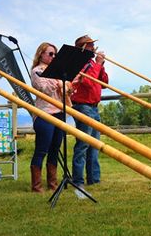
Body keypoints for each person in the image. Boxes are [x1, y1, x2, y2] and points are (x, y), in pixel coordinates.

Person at [30, 42, 71, 192]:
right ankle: (36, 186)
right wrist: (60, 81)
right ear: (41, 54)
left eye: (55, 54)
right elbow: (44, 88)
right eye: (50, 54)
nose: (53, 57)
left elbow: (67, 89)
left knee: (55, 148)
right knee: (42, 149)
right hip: (44, 113)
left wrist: (65, 84)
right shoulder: (37, 71)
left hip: (59, 112)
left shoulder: (57, 72)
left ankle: (52, 184)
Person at [71, 35, 108, 194]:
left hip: (93, 106)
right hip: (83, 106)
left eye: (93, 45)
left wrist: (101, 66)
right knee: (83, 144)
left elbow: (104, 83)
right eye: (90, 45)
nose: (94, 48)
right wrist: (98, 64)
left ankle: (94, 179)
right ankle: (78, 180)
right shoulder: (79, 63)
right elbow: (88, 81)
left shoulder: (92, 64)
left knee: (94, 145)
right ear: (83, 48)